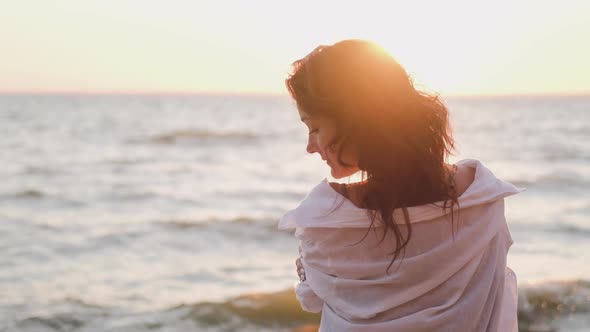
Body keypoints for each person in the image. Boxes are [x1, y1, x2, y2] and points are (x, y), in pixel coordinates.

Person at [278, 39, 523, 331]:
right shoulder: (483, 197)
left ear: (358, 120)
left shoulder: (326, 217)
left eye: (315, 128)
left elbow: (311, 299)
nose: (310, 147)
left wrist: (308, 268)